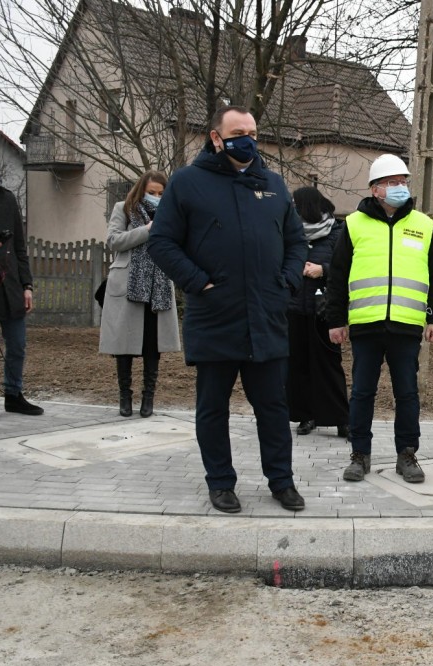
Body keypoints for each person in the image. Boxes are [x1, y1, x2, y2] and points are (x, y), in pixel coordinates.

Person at [148, 105, 307, 514]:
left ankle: (282, 481)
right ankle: (220, 483)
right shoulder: (187, 183)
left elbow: (296, 242)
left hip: (266, 317)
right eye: (238, 133)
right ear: (216, 138)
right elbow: (161, 242)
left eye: (253, 133)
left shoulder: (273, 184)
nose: (248, 140)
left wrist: (287, 282)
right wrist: (198, 282)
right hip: (215, 316)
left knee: (273, 408)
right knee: (212, 408)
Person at [325, 154, 433, 484]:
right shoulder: (354, 224)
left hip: (406, 325)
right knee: (362, 393)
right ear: (375, 189)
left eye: (403, 182)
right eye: (392, 182)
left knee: (407, 393)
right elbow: (338, 275)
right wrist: (335, 319)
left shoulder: (424, 225)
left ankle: (407, 454)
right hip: (366, 324)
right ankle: (359, 454)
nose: (399, 187)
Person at [99, 170, 181, 418]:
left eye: (161, 193)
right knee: (124, 344)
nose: (156, 197)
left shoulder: (172, 213)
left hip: (159, 284)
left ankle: (149, 398)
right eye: (151, 192)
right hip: (128, 284)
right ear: (141, 190)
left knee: (153, 344)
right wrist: (147, 229)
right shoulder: (123, 208)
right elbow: (114, 241)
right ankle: (125, 397)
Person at [0, 140, 43, 422]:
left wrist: (27, 286)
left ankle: (14, 395)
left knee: (17, 344)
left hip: (9, 283)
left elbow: (20, 247)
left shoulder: (7, 198)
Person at [287, 186, 349, 438]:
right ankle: (305, 415)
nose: (292, 209)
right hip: (294, 307)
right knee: (298, 364)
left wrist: (322, 270)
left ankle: (341, 418)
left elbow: (347, 266)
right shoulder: (291, 232)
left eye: (296, 205)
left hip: (324, 310)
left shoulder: (337, 232)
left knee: (328, 364)